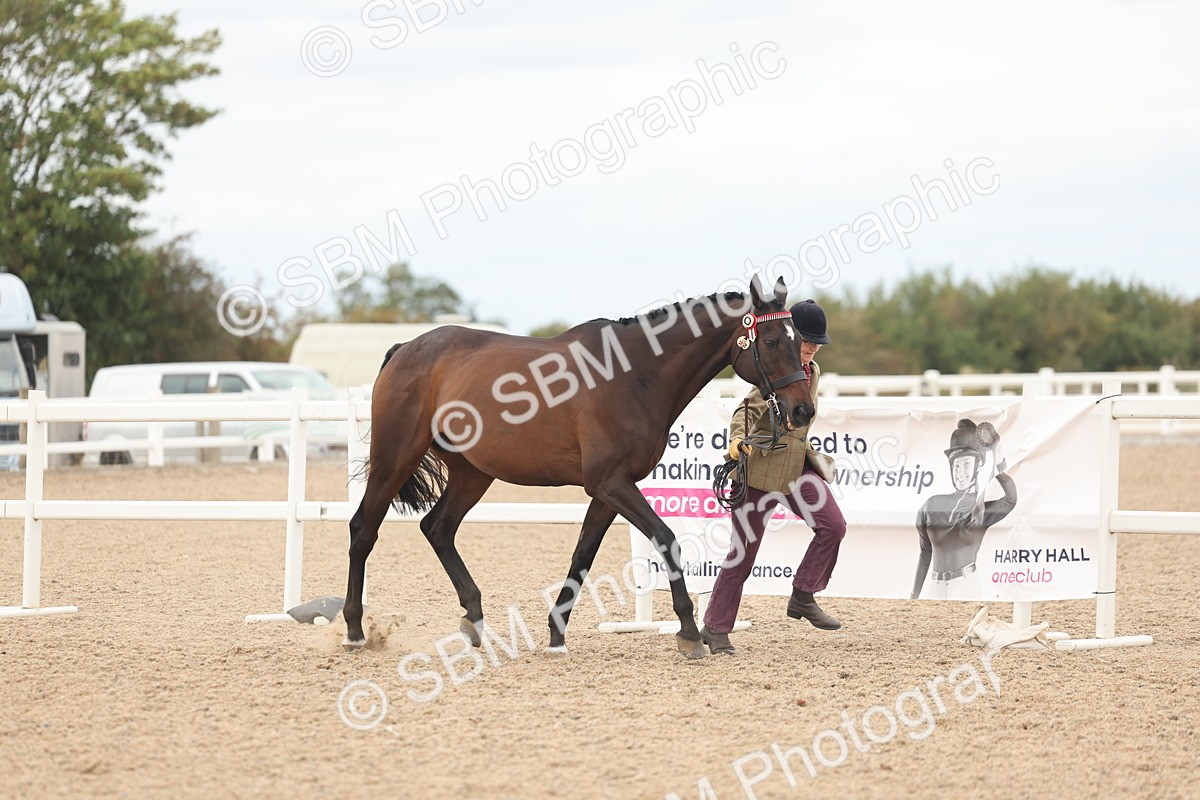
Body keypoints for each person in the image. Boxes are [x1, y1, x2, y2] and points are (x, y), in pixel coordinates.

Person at [700, 299, 847, 657]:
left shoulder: (814, 372)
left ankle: (802, 594)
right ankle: (715, 628)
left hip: (797, 466)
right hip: (760, 470)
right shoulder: (781, 369)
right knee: (743, 555)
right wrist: (737, 440)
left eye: (816, 343)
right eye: (805, 341)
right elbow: (746, 408)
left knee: (833, 526)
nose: (811, 348)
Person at [910, 419, 1018, 600]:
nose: (960, 472)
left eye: (966, 464)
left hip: (966, 585)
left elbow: (1010, 500)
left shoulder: (980, 509)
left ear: (978, 465)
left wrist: (998, 460)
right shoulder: (931, 505)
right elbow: (926, 553)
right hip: (935, 587)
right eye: (956, 465)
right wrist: (915, 595)